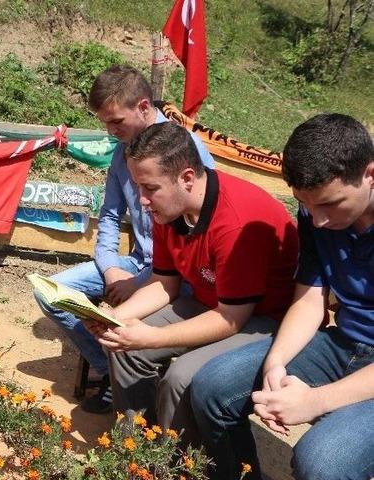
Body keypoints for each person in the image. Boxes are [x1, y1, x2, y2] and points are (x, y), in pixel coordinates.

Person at [86, 121, 298, 440]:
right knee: (124, 348)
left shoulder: (236, 223)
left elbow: (231, 319)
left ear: (186, 178)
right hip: (211, 303)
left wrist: (149, 337)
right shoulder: (168, 207)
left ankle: (173, 467)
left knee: (180, 378)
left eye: (150, 188)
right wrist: (117, 317)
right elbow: (164, 283)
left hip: (262, 319)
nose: (142, 199)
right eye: (138, 186)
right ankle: (132, 452)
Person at [191, 114, 374, 480]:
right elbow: (309, 298)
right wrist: (276, 363)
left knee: (322, 462)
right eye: (307, 206)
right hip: (346, 342)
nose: (318, 220)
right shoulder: (315, 212)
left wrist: (313, 402)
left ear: (370, 174)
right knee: (212, 386)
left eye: (330, 204)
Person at [32, 65, 214, 414]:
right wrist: (113, 269)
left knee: (127, 313)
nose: (110, 131)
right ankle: (112, 373)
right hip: (135, 262)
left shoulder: (187, 148)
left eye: (116, 121)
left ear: (143, 107)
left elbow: (200, 230)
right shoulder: (122, 153)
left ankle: (128, 376)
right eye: (105, 123)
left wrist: (139, 283)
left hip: (177, 274)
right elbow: (111, 219)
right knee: (50, 291)